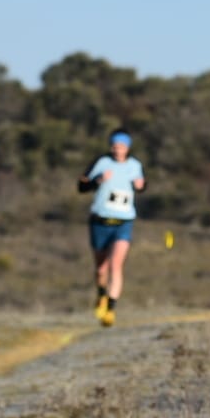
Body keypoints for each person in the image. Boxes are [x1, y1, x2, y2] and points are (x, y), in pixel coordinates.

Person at [78, 128, 145, 327]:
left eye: (121, 147)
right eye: (114, 146)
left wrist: (142, 185)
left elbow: (141, 184)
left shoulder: (135, 166)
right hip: (100, 221)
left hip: (123, 222)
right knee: (101, 269)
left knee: (116, 264)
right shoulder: (101, 163)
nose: (117, 150)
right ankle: (101, 294)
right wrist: (97, 181)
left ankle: (111, 310)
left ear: (127, 148)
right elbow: (81, 186)